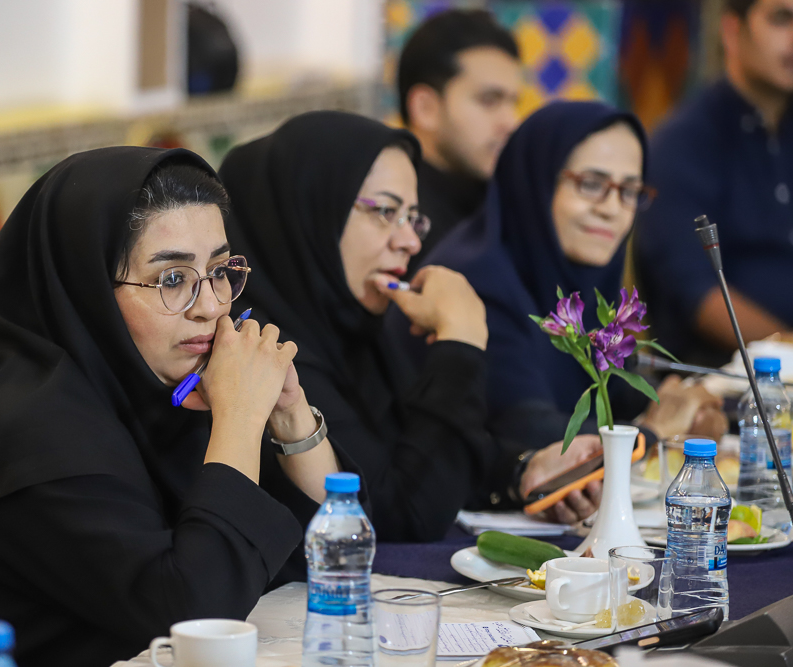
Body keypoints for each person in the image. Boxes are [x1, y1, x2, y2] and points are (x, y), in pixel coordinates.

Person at [0, 148, 347, 666]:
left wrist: (290, 414)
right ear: (87, 288)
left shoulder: (161, 388)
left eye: (220, 270)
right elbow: (195, 617)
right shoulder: (26, 433)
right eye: (172, 278)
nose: (211, 306)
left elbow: (329, 558)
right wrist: (241, 418)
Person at [219, 110, 607, 539]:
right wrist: (459, 344)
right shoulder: (260, 349)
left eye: (414, 217)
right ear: (308, 210)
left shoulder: (354, 329)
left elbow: (423, 455)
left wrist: (523, 470)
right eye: (385, 211)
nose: (410, 241)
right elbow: (409, 512)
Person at [390, 101, 728, 451]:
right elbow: (528, 433)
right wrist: (652, 432)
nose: (612, 209)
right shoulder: (477, 281)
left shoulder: (575, 272)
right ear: (534, 181)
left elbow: (613, 390)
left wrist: (683, 407)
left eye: (629, 191)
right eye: (591, 184)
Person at [635, 0, 793, 366]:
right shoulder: (682, 143)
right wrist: (786, 350)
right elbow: (698, 296)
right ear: (732, 31)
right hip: (720, 379)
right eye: (781, 18)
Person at [397, 8, 522, 267]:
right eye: (489, 100)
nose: (511, 122)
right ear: (425, 108)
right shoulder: (395, 225)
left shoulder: (501, 204)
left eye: (513, 103)